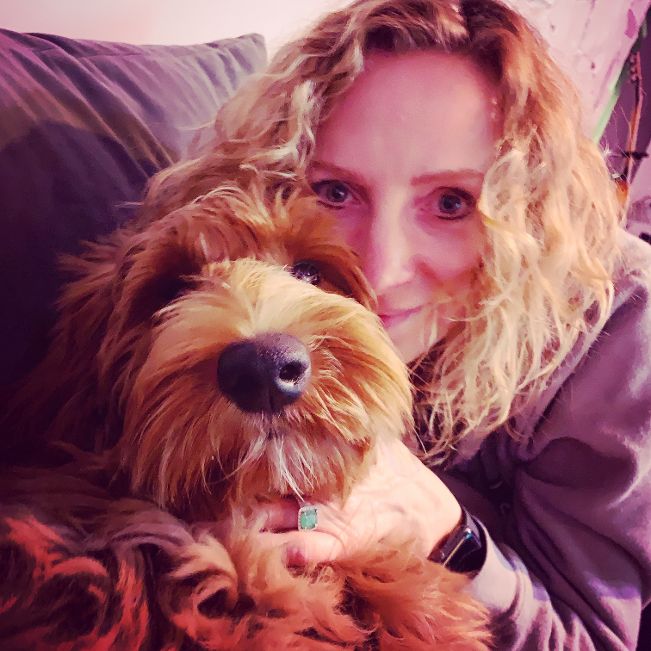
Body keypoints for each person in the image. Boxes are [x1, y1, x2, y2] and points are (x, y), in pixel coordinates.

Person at [142, 0, 651, 648]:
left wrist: (448, 532)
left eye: (451, 203)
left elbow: (590, 637)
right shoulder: (252, 284)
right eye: (335, 192)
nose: (379, 270)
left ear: (524, 211)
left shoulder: (616, 324)